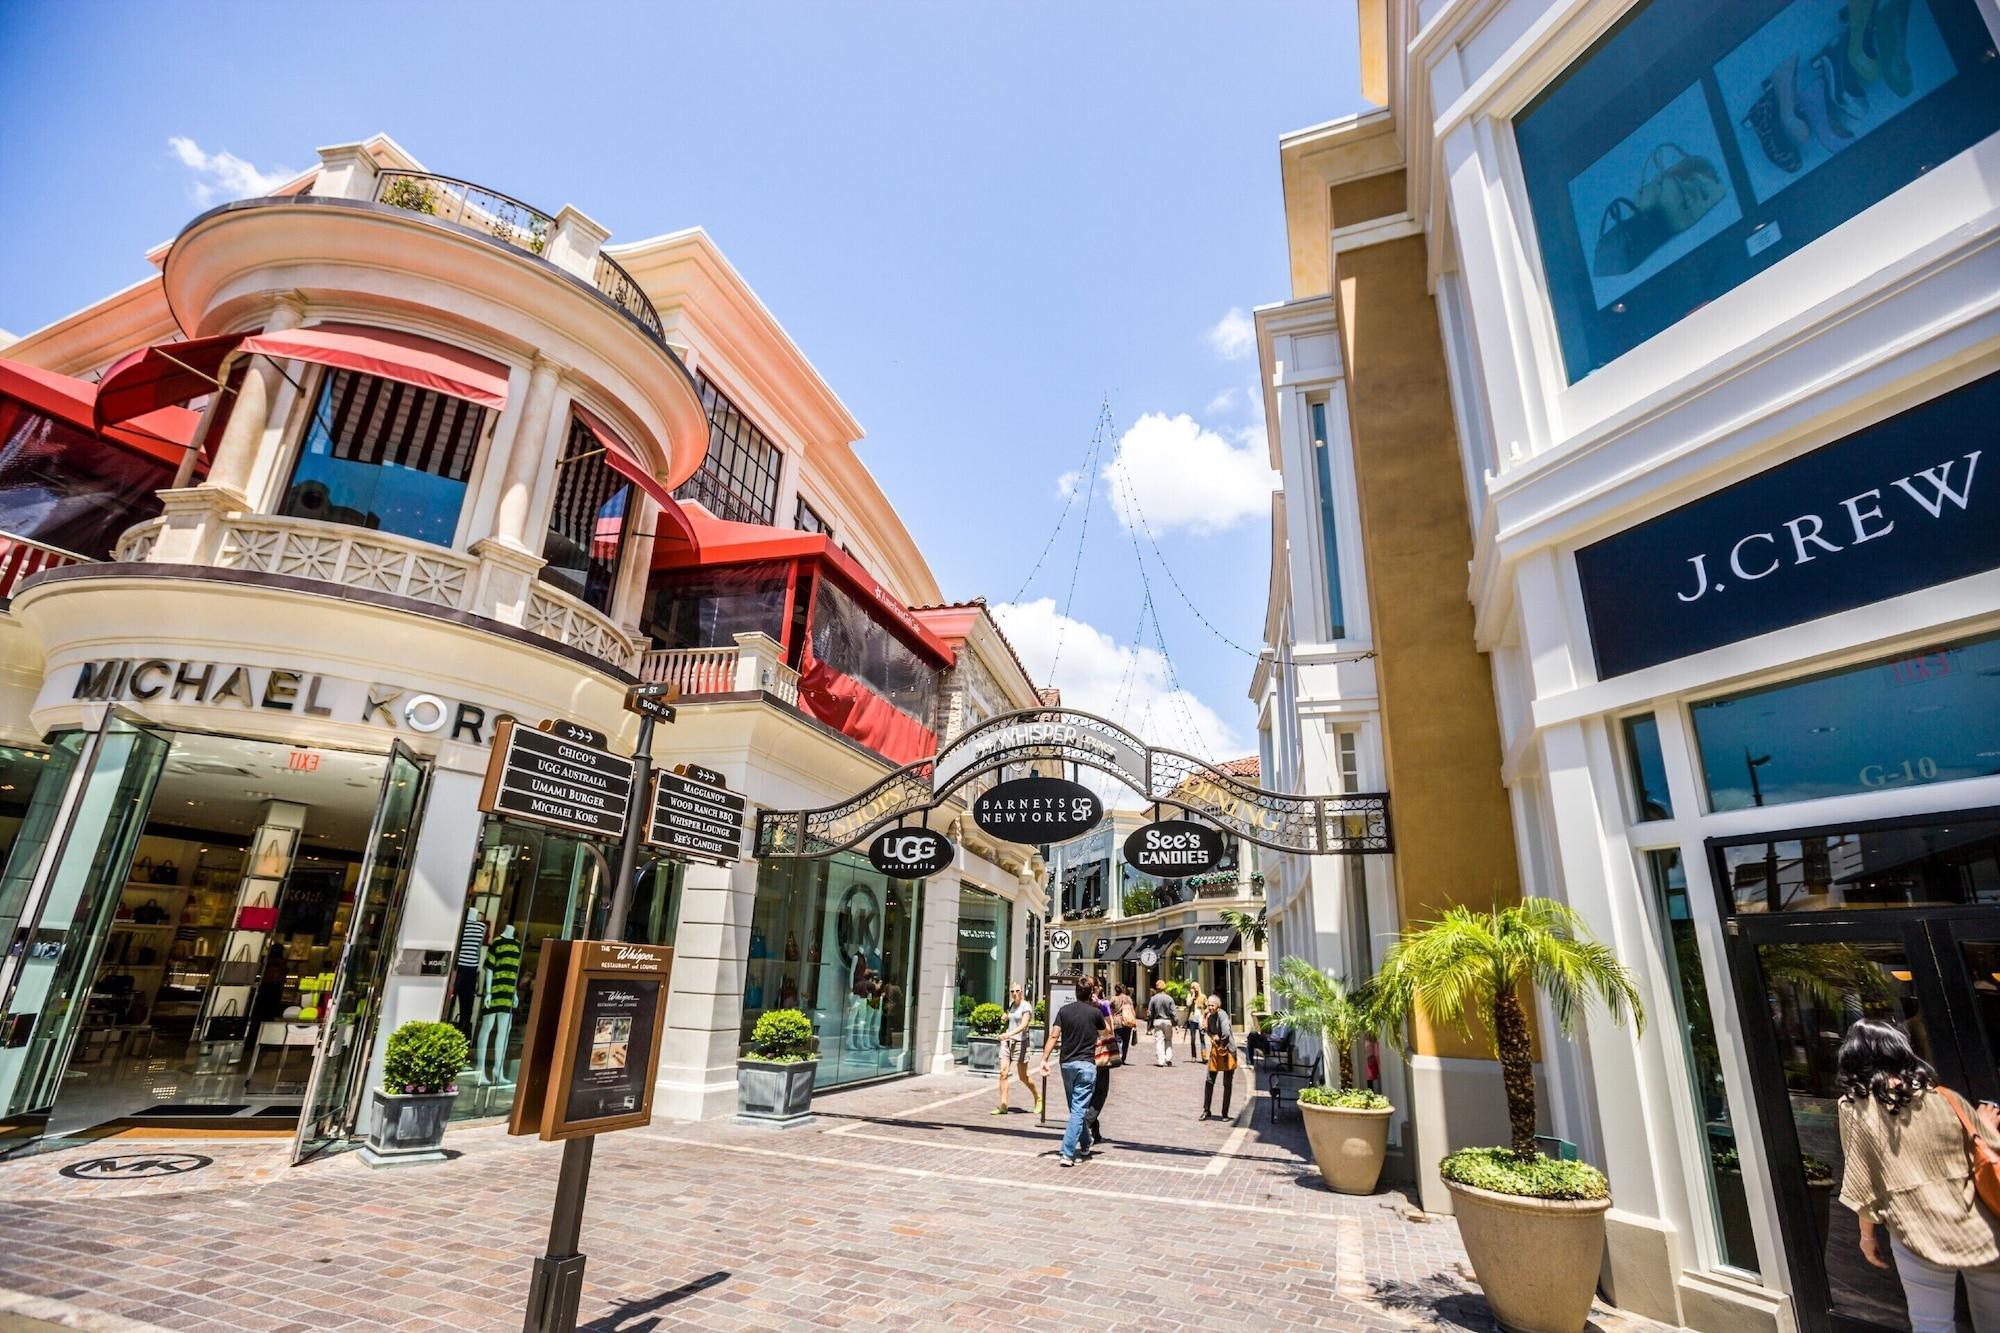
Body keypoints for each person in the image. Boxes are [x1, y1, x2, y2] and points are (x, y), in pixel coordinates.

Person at [1835, 1017, 2000, 1333]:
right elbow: (1987, 1148)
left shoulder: (1853, 1107)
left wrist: (1867, 1236)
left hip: (1916, 1230)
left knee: (1932, 1325)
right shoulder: (1943, 1099)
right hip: (1978, 1228)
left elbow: (1862, 1181)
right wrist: (1984, 1125)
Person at [1040, 976, 1110, 1167]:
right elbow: (1107, 1033)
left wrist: (1044, 1059)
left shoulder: (1064, 1011)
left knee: (1075, 1108)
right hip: (1087, 1065)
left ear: (1076, 993)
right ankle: (1067, 1152)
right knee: (1078, 1110)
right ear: (1091, 993)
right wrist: (1102, 1009)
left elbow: (1054, 1035)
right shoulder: (1095, 1014)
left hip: (1067, 1065)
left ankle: (1086, 1143)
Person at [994, 983, 1041, 1117]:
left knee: (1023, 1076)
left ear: (1022, 992)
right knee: (1003, 1072)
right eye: (1012, 991)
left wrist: (1009, 1034)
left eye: (1017, 991)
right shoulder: (1011, 1005)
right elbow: (1010, 1018)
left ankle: (1038, 1098)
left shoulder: (1026, 1006)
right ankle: (1003, 1105)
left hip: (1021, 1043)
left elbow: (1024, 1025)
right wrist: (1005, 1017)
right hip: (1007, 1043)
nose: (1015, 993)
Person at [1199, 994, 1237, 1122]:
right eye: (1208, 1005)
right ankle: (1206, 1110)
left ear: (1218, 1006)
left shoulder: (1223, 1015)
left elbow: (1226, 1033)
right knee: (1209, 1080)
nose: (1210, 1008)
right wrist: (1212, 1035)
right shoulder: (1209, 1017)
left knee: (1227, 1083)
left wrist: (1219, 1038)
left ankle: (1225, 1113)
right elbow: (1207, 1031)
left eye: (1212, 1005)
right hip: (1216, 1051)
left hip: (1228, 1052)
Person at [1088, 982, 1116, 1143]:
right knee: (1100, 1091)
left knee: (1090, 1091)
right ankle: (1086, 1123)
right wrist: (1101, 1008)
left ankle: (1095, 1131)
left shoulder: (1081, 1004)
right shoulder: (1102, 1005)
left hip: (1084, 1052)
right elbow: (1109, 1030)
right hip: (1099, 1052)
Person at [1147, 981, 1178, 1066]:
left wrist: (1149, 1025)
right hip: (1168, 1021)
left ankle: (1160, 1060)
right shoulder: (1169, 998)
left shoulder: (1153, 998)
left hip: (1157, 1021)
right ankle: (1168, 1058)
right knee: (1168, 1039)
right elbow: (1174, 1013)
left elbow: (1149, 1013)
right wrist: (1176, 1023)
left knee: (1159, 1041)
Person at [1112, 985, 1138, 1063]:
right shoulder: (1128, 998)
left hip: (1117, 1022)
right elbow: (1132, 1010)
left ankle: (1119, 1055)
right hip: (1127, 1022)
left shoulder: (1113, 998)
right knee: (1126, 1041)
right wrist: (1134, 1021)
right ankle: (1123, 1058)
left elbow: (1109, 1009)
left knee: (1118, 1040)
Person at [1185, 980, 1207, 1059]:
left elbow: (1207, 1007)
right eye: (1194, 988)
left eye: (1197, 987)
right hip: (1192, 1019)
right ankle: (1193, 1055)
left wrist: (1205, 1017)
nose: (1196, 989)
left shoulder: (1203, 996)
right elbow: (1188, 1004)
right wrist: (1192, 996)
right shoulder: (1189, 996)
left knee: (1202, 1037)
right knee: (1193, 1038)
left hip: (1200, 1019)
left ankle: (1204, 1056)